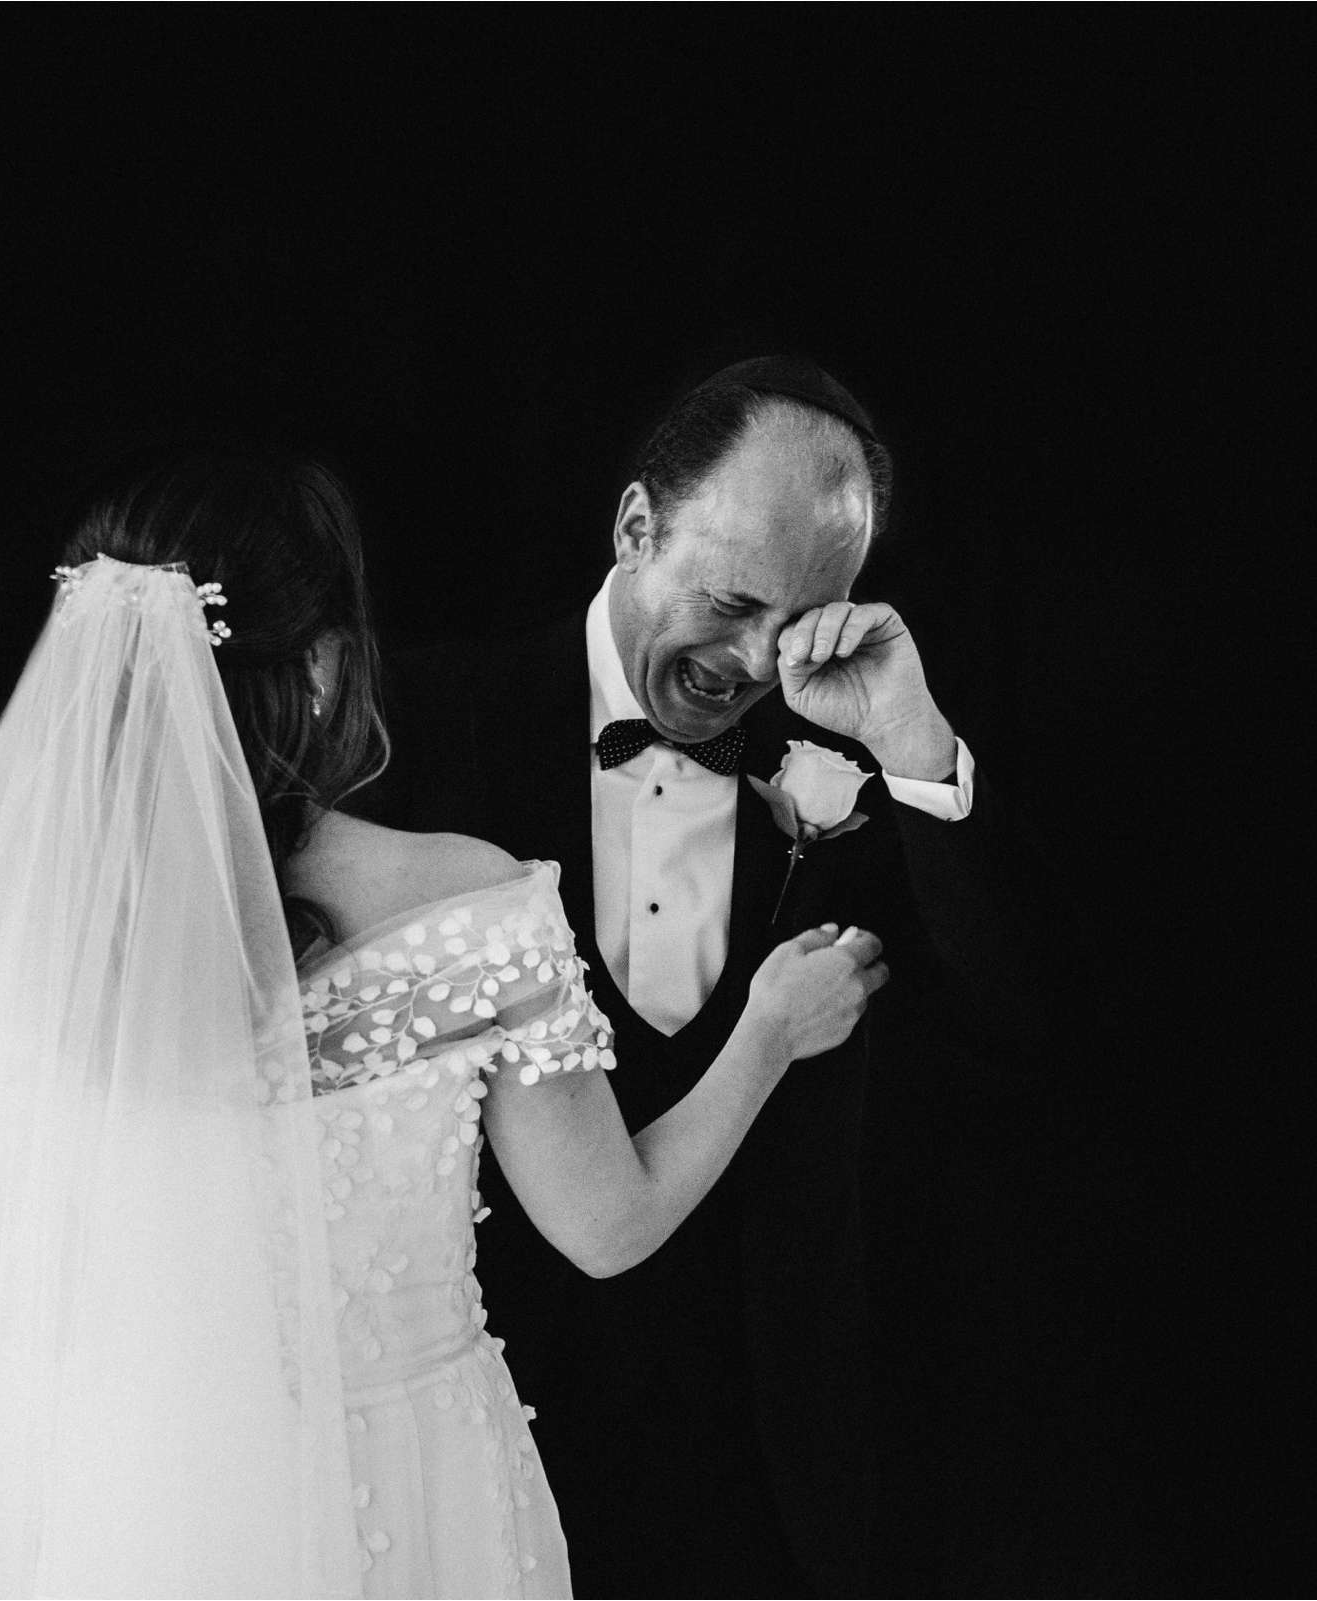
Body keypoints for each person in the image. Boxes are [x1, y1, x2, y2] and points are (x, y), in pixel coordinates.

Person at [0, 447, 888, 1599]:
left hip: (117, 1499)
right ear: (324, 667)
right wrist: (770, 1033)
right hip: (410, 1495)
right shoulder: (466, 902)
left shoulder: (21, 940)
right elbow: (608, 1224)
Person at [367, 356, 1017, 1596]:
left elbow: (1012, 1007)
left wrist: (914, 740)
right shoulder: (423, 728)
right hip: (483, 1414)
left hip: (763, 1443)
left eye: (799, 619)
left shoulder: (851, 742)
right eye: (727, 600)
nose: (756, 661)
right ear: (632, 525)